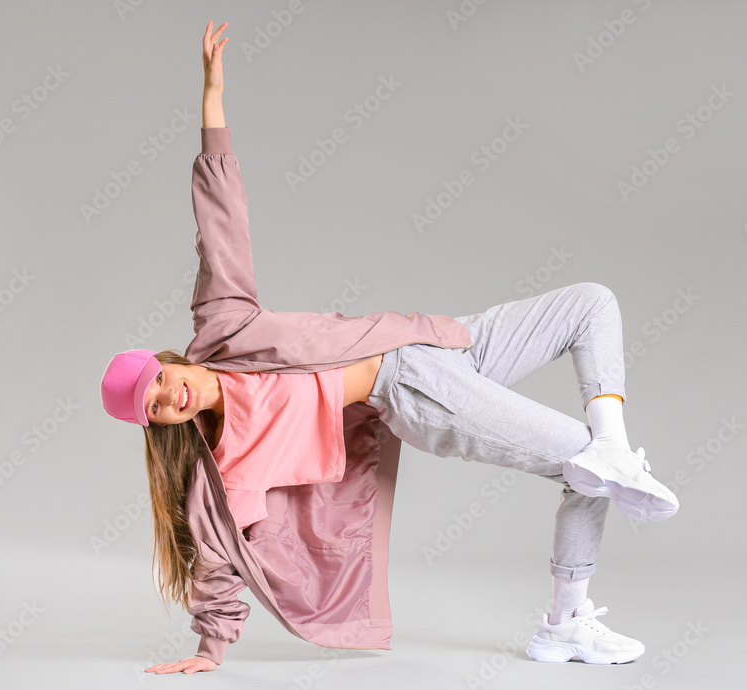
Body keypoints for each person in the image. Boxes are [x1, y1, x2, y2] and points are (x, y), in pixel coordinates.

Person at [100, 20, 679, 675]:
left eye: (155, 381)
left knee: (592, 305)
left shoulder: (224, 328)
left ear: (167, 361)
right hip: (412, 389)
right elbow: (215, 549)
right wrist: (210, 647)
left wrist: (212, 105)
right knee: (584, 465)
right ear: (166, 425)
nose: (168, 397)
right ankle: (565, 622)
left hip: (438, 338)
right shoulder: (232, 462)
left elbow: (220, 224)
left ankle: (610, 450)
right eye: (158, 410)